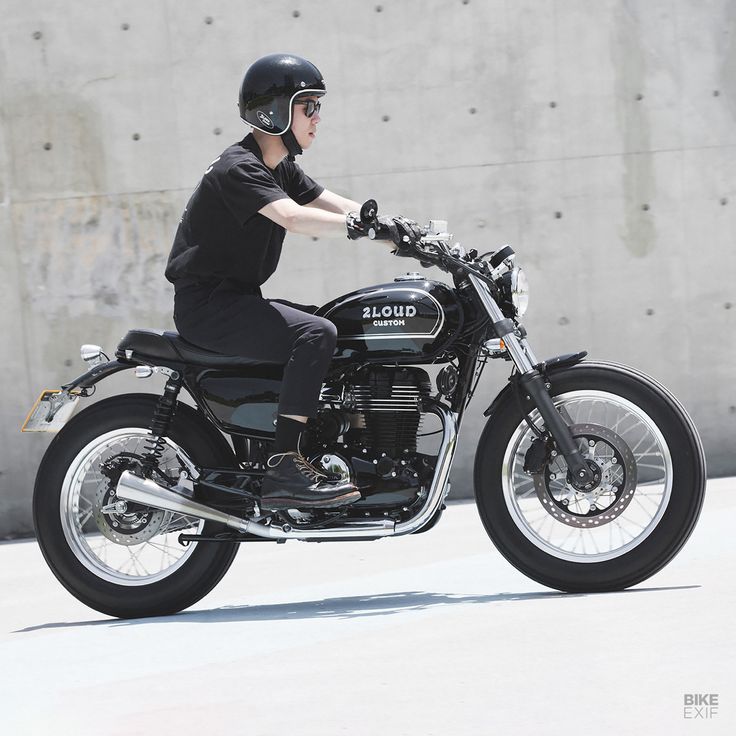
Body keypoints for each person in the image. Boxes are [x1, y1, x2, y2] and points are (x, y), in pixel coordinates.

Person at [164, 53, 422, 511]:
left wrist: (402, 234)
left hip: (235, 300)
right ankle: (285, 463)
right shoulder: (238, 168)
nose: (318, 118)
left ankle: (342, 447)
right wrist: (357, 228)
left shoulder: (278, 165)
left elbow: (335, 204)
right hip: (209, 307)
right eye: (309, 107)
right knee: (315, 333)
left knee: (332, 325)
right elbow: (293, 217)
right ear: (276, 110)